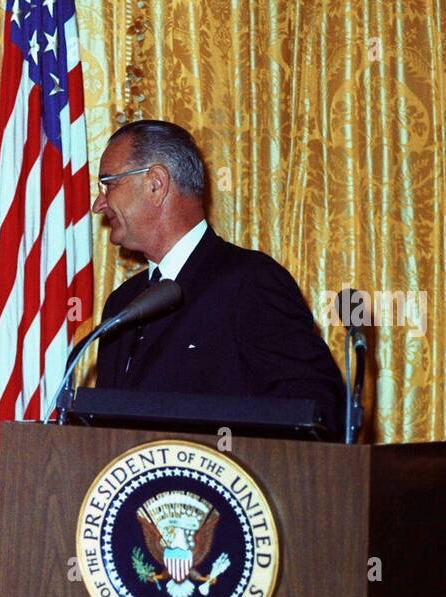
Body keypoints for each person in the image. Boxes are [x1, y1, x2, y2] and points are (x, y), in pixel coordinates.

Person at [91, 119, 345, 437]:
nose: (98, 204)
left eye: (108, 184)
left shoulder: (249, 282)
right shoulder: (122, 304)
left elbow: (316, 410)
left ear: (155, 183)